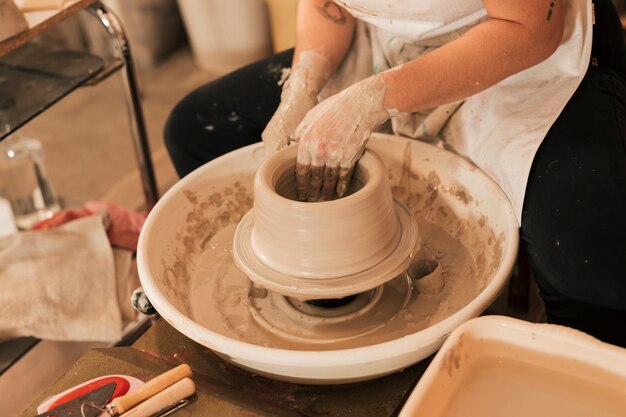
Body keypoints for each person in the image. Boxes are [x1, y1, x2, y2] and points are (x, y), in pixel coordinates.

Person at [165, 0, 626, 346]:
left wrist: (376, 99)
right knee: (196, 131)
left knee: (589, 276)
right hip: (387, 43)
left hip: (521, 52)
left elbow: (530, 30)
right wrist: (305, 81)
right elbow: (330, 9)